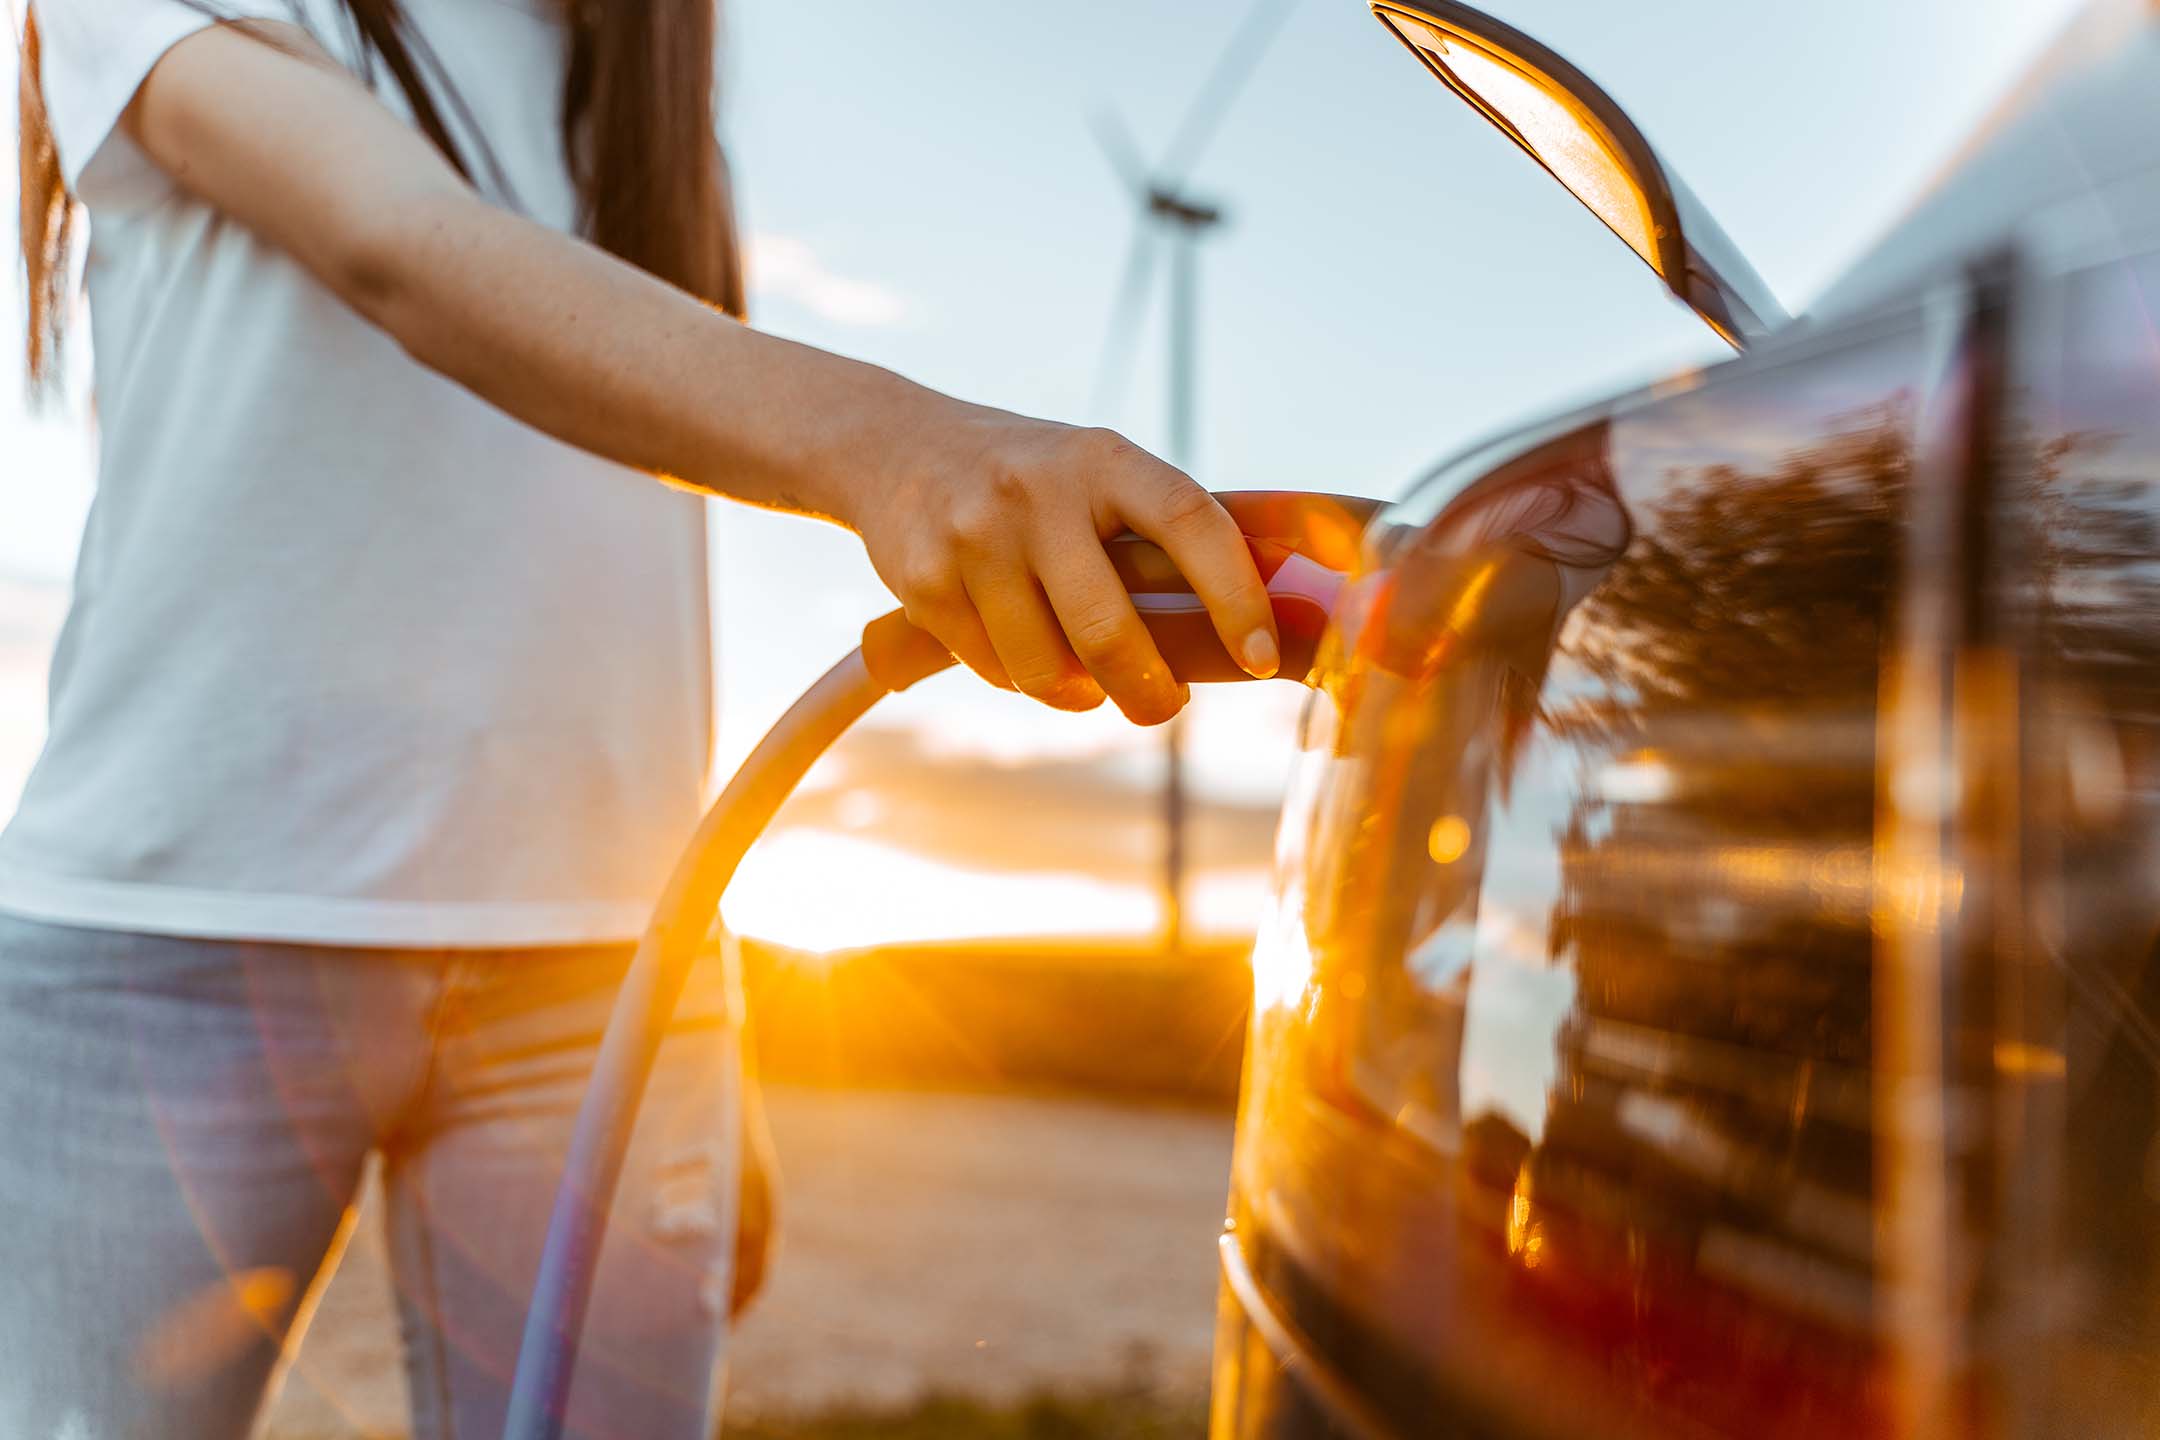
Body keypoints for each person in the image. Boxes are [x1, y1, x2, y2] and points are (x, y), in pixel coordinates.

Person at [1, 3, 1283, 1437]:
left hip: (600, 981)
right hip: (168, 942)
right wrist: (902, 447)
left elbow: (631, 563)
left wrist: (696, 1003)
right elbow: (399, 244)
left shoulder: (640, 74)